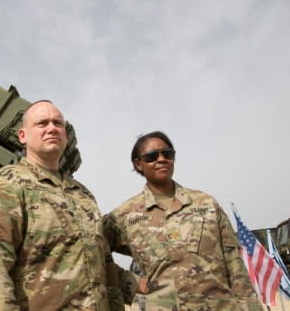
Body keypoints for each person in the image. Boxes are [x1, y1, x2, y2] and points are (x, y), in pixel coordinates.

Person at [0, 100, 123, 310]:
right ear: (23, 136)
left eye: (58, 123)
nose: (52, 128)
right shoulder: (8, 186)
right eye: (42, 123)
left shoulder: (83, 195)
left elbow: (104, 267)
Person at [103, 131, 263, 310]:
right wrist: (130, 284)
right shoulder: (124, 216)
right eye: (152, 156)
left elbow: (235, 264)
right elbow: (91, 252)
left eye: (168, 154)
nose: (162, 159)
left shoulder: (207, 204)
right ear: (138, 164)